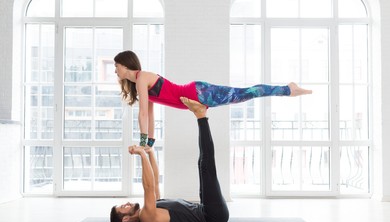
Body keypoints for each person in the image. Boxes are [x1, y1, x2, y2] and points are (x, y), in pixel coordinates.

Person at [114, 50, 312, 147]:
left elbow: (142, 114)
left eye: (117, 66)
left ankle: (287, 89)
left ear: (125, 64)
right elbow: (149, 115)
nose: (115, 70)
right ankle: (287, 90)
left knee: (245, 93)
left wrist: (142, 144)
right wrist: (149, 143)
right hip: (197, 97)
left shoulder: (142, 77)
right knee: (244, 94)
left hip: (198, 92)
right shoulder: (140, 85)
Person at [110, 97, 229, 222]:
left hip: (205, 209)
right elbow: (148, 187)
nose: (126, 203)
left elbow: (154, 183)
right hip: (212, 217)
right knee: (206, 165)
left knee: (203, 164)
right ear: (125, 219)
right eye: (123, 207)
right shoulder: (146, 217)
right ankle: (201, 115)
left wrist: (150, 152)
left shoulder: (150, 208)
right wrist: (142, 155)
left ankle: (200, 115)